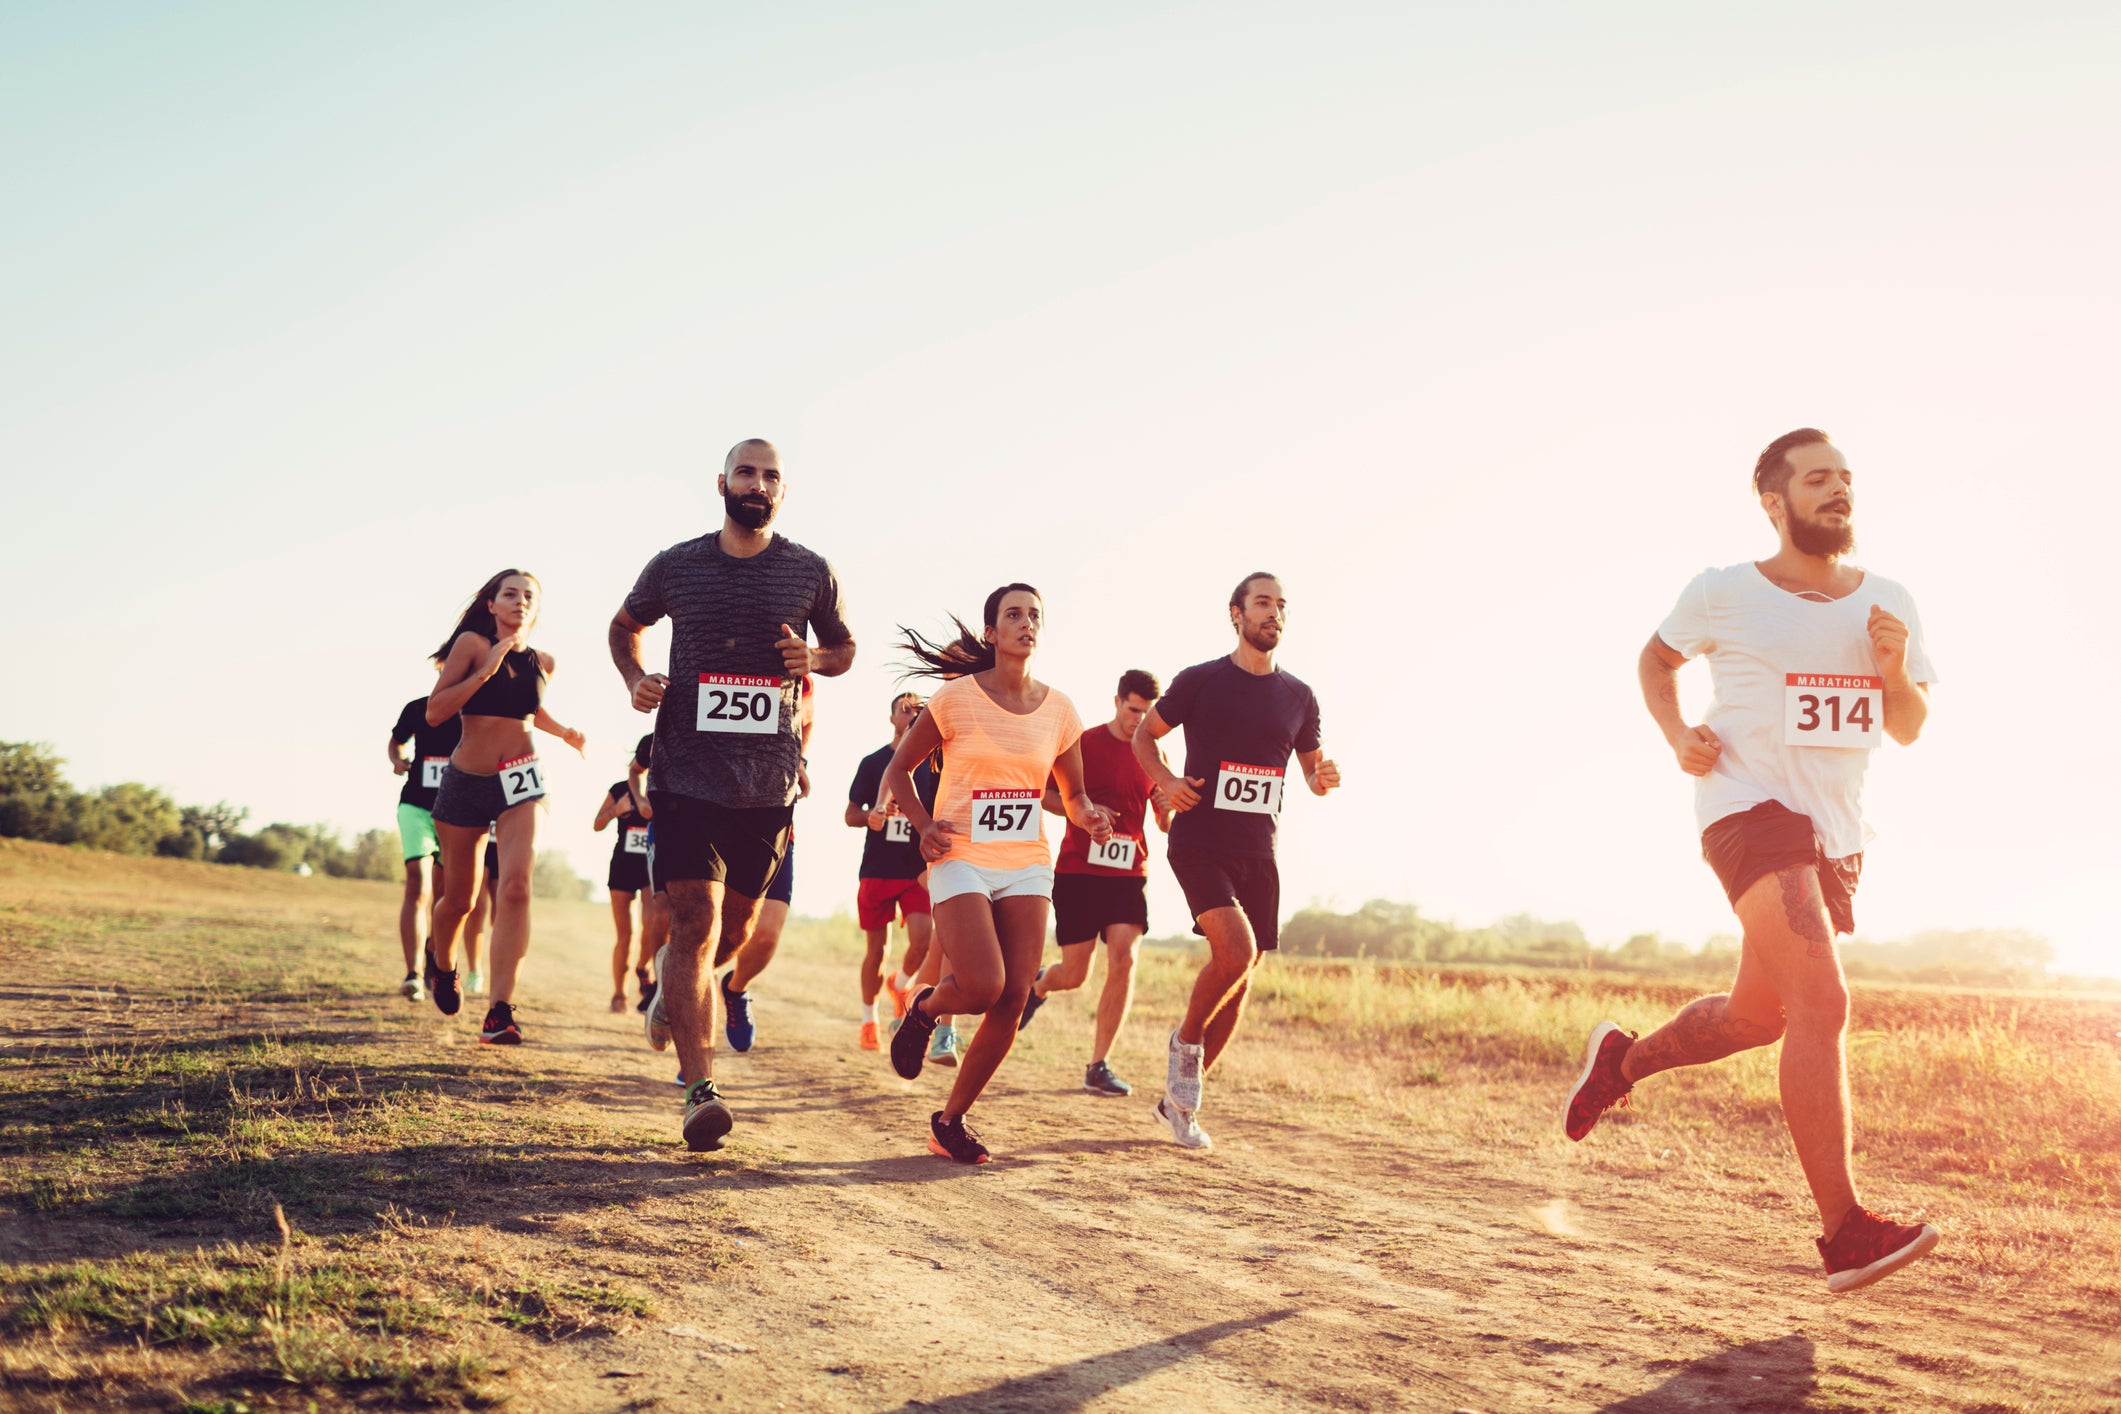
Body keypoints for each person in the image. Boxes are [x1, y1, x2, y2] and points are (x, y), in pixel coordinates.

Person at [1564, 429, 1941, 1294]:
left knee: (1758, 1016)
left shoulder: (1887, 600)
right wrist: (1675, 733)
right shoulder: (1723, 592)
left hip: (1834, 835)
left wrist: (1890, 664)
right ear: (1774, 503)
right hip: (1745, 810)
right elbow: (1654, 660)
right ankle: (1845, 1232)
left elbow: (1910, 725)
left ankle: (1618, 1062)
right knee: (1823, 1000)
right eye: (1816, 481)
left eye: (1844, 480)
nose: (1836, 492)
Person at [611, 439, 854, 1151]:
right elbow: (624, 626)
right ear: (721, 482)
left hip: (766, 785)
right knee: (692, 924)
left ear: (783, 490)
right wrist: (635, 679)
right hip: (685, 776)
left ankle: (673, 995)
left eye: (771, 474)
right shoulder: (677, 565)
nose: (757, 483)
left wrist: (814, 658)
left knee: (736, 933)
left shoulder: (809, 572)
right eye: (746, 471)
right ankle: (697, 1090)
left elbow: (843, 650)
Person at [883, 584, 1116, 1164]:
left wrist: (1090, 817)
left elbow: (1074, 793)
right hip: (960, 853)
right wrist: (921, 824)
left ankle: (950, 1121)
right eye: (1013, 614)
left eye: (1035, 615)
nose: (1026, 623)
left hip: (1026, 863)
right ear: (991, 633)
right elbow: (900, 769)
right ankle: (924, 1009)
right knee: (983, 984)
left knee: (1013, 995)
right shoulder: (956, 699)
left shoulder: (1061, 710)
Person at [1133, 573, 1338, 1150]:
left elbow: (1312, 772)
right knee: (1237, 951)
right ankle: (1185, 1047)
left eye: (1281, 606)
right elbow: (1144, 740)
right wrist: (1167, 782)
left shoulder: (1300, 695)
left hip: (1259, 852)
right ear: (1236, 614)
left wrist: (1323, 778)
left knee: (1241, 975)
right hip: (1200, 840)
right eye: (1263, 603)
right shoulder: (1200, 681)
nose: (1274, 614)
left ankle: (1177, 1101)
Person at [423, 569, 587, 1044]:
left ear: (536, 608)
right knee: (460, 900)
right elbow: (437, 711)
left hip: (523, 778)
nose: (519, 602)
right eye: (509, 594)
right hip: (467, 782)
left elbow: (530, 710)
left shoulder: (544, 661)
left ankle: (500, 1011)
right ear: (491, 604)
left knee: (515, 888)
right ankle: (443, 962)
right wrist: (485, 669)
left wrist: (564, 733)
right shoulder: (473, 644)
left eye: (528, 596)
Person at [1018, 670, 1171, 1096]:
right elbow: (1044, 794)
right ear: (1118, 701)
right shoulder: (1084, 743)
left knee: (1124, 958)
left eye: (1146, 713)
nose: (1138, 720)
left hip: (1128, 873)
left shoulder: (1155, 753)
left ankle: (1098, 1065)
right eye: (1133, 710)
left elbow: (1165, 821)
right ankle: (1042, 983)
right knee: (1074, 975)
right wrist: (1085, 811)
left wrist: (1164, 811)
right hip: (1079, 872)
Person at [714, 674, 816, 1052]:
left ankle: (735, 988)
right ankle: (695, 1047)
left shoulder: (799, 673)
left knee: (766, 934)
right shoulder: (710, 642)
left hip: (773, 822)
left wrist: (799, 760)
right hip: (709, 815)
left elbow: (805, 720)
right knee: (705, 932)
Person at [845, 691, 944, 1053]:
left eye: (917, 711)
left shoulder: (934, 768)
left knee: (923, 939)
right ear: (892, 720)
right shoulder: (873, 763)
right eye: (904, 711)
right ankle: (868, 1019)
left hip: (915, 870)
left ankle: (900, 984)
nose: (911, 715)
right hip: (877, 870)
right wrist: (869, 817)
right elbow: (850, 813)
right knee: (877, 951)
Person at [386, 695, 461, 1000]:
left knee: (445, 894)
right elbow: (396, 742)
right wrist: (397, 760)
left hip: (458, 812)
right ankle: (413, 974)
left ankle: (433, 950)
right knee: (417, 885)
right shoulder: (419, 707)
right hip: (416, 805)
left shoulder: (477, 709)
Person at [594, 771, 653, 1013]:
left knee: (652, 924)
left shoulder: (665, 788)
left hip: (651, 865)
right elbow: (597, 824)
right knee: (625, 936)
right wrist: (615, 811)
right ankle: (619, 995)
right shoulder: (620, 789)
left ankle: (642, 967)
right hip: (622, 867)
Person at [629, 733, 664, 1014]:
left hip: (703, 833)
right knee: (658, 916)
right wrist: (640, 799)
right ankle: (656, 981)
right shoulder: (654, 739)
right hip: (662, 834)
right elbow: (635, 770)